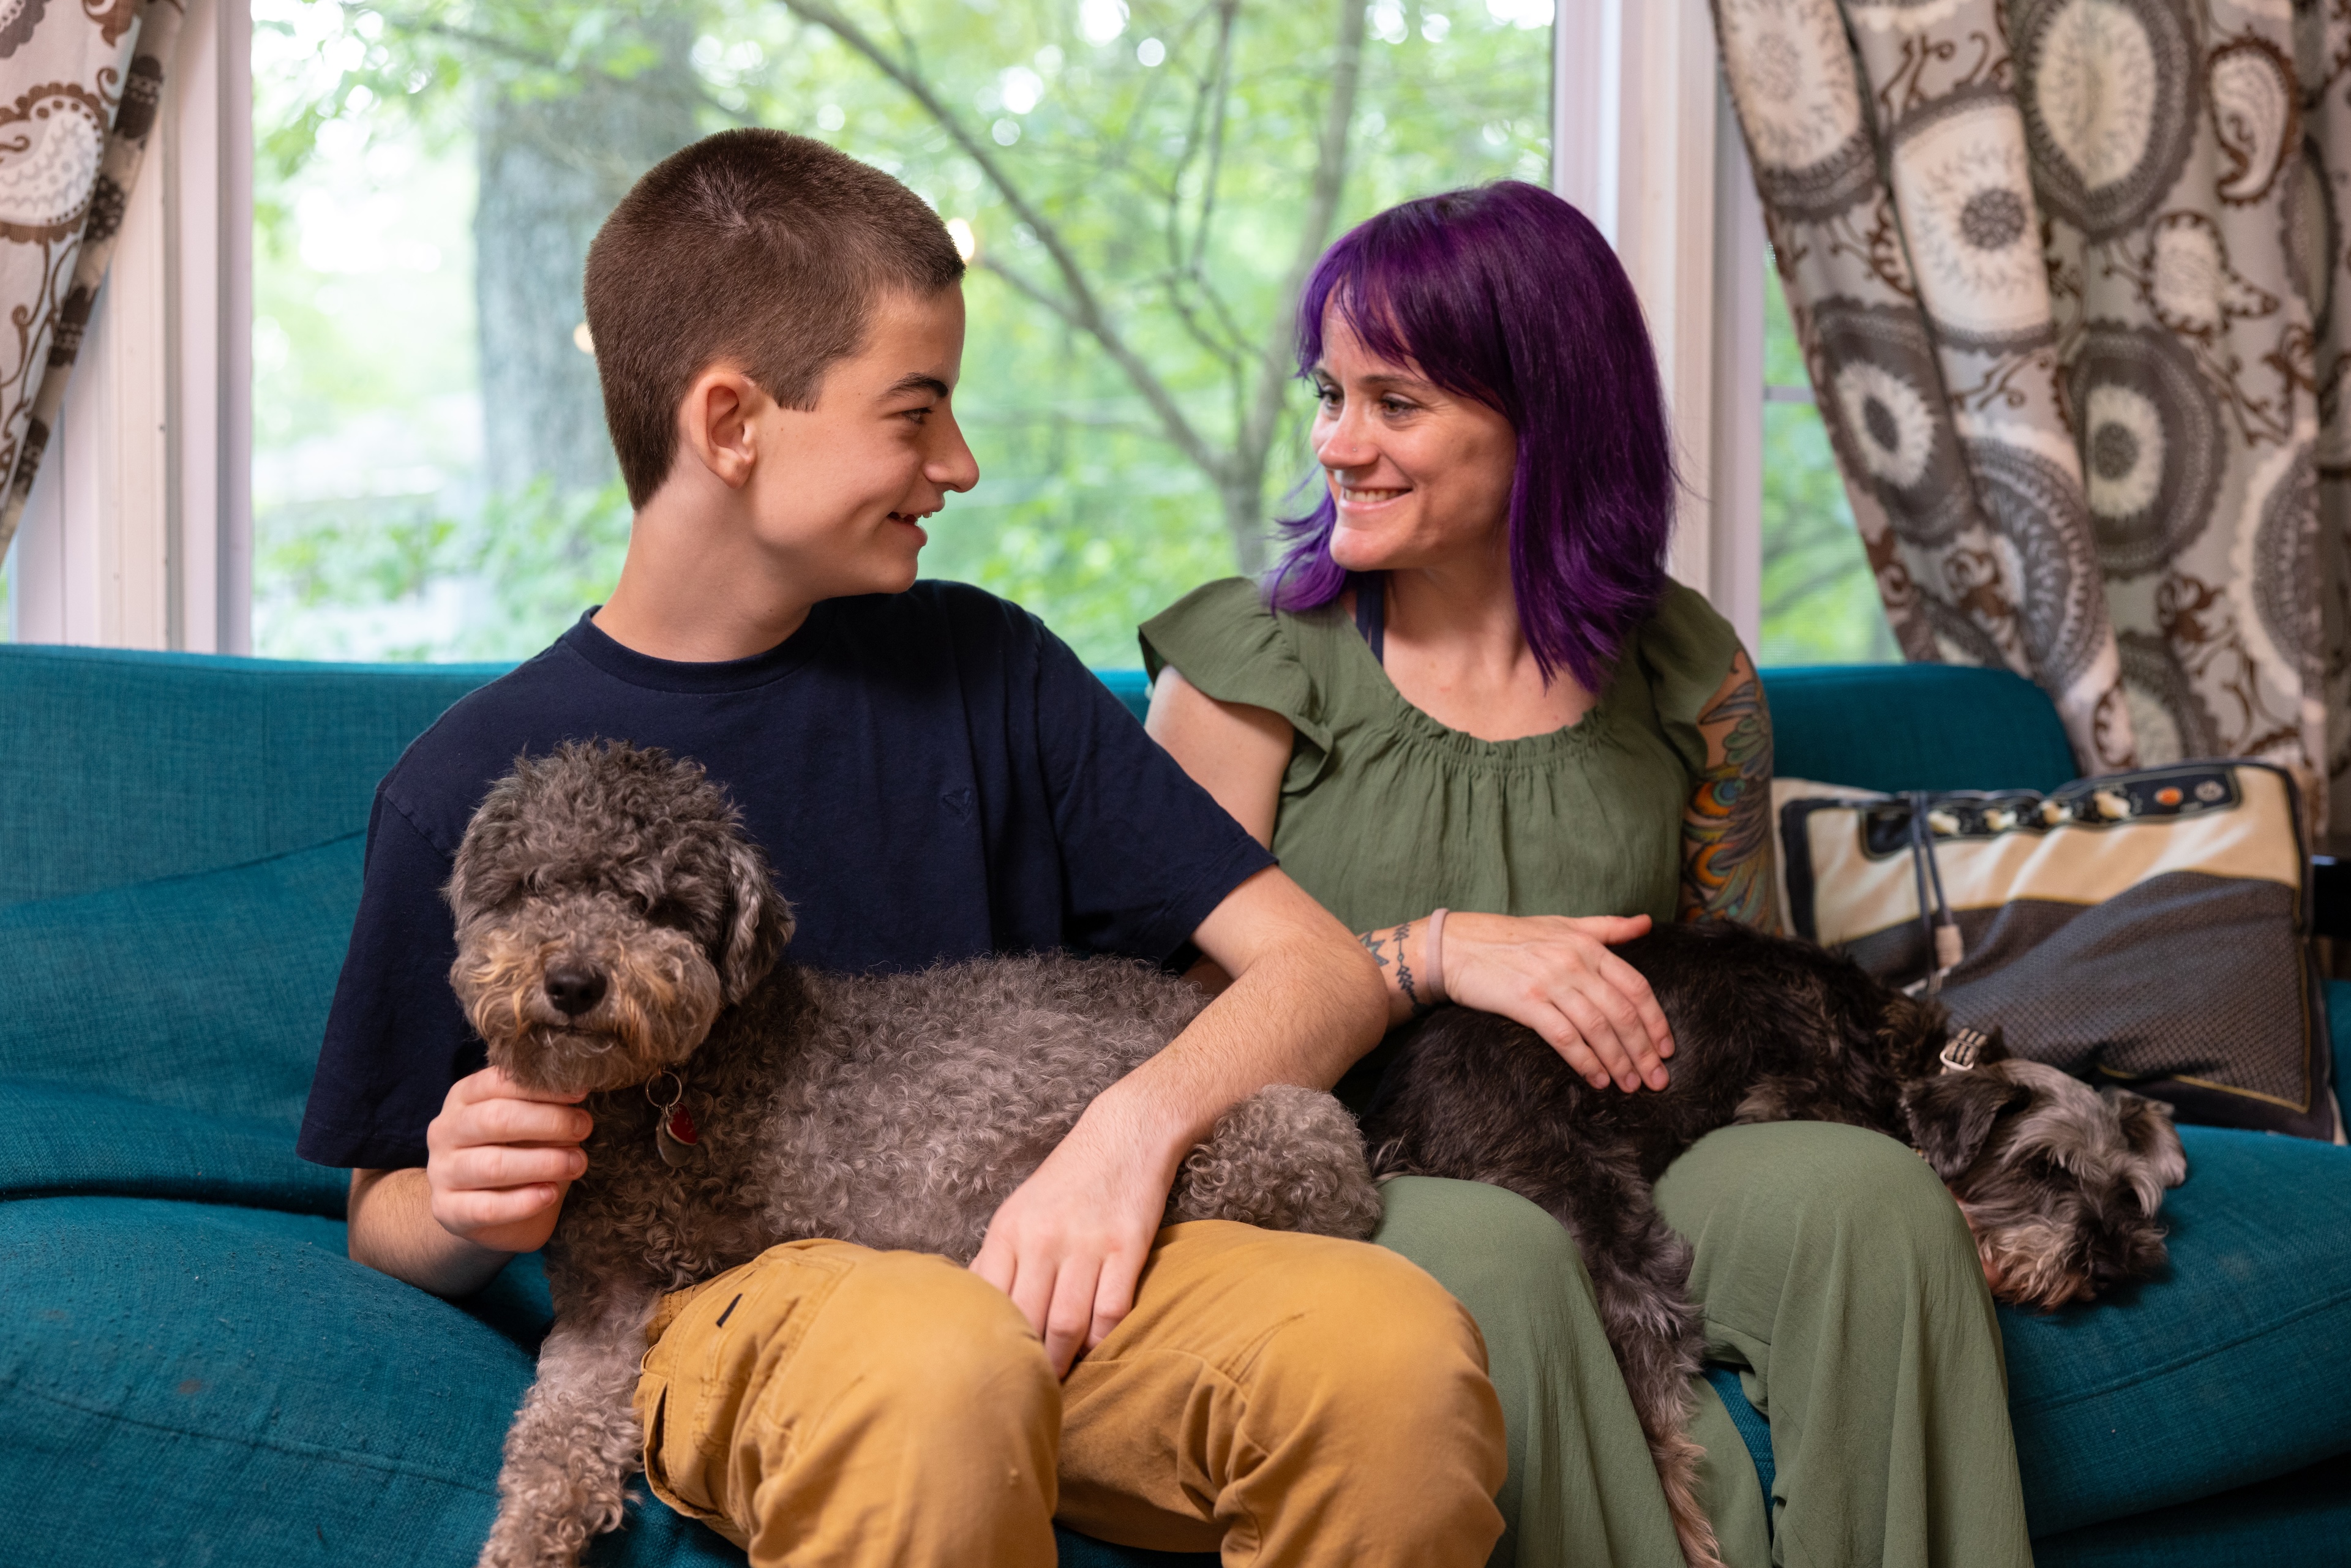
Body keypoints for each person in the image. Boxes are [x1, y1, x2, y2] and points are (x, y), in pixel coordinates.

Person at [297, 130, 1508, 1568]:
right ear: (733, 422)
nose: (962, 464)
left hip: (1067, 1270)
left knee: (1388, 1351)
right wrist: (448, 1200)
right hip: (741, 1303)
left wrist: (1123, 1141)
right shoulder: (465, 781)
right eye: (914, 411)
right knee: (936, 1364)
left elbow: (1315, 974)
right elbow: (377, 1210)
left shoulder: (986, 667)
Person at [1141, 181, 2034, 1568]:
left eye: (1396, 404)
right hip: (1357, 1156)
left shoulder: (1691, 674)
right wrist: (1426, 950)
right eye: (1331, 394)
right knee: (1512, 1256)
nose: (1337, 444)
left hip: (1643, 1138)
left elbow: (1737, 977)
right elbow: (1158, 1026)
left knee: (1874, 1208)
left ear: (1542, 421)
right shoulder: (1247, 669)